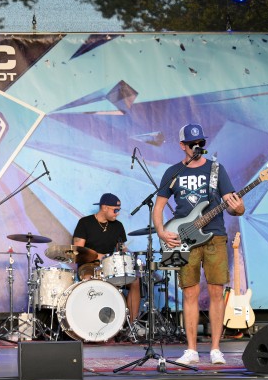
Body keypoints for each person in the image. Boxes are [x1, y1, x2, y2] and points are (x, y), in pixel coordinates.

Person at [154, 123, 245, 365]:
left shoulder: (216, 170)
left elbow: (233, 203)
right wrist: (162, 232)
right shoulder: (173, 172)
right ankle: (192, 350)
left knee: (217, 291)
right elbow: (159, 206)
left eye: (201, 143)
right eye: (192, 143)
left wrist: (239, 208)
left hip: (215, 235)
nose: (197, 146)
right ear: (182, 145)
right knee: (190, 292)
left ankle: (216, 349)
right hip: (185, 237)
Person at [73, 193, 142, 323]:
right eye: (115, 210)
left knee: (135, 281)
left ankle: (133, 325)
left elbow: (121, 248)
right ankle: (88, 322)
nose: (117, 213)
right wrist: (100, 256)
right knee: (89, 280)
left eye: (119, 210)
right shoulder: (85, 223)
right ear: (104, 207)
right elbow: (79, 251)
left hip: (111, 267)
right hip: (89, 266)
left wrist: (127, 255)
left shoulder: (118, 226)